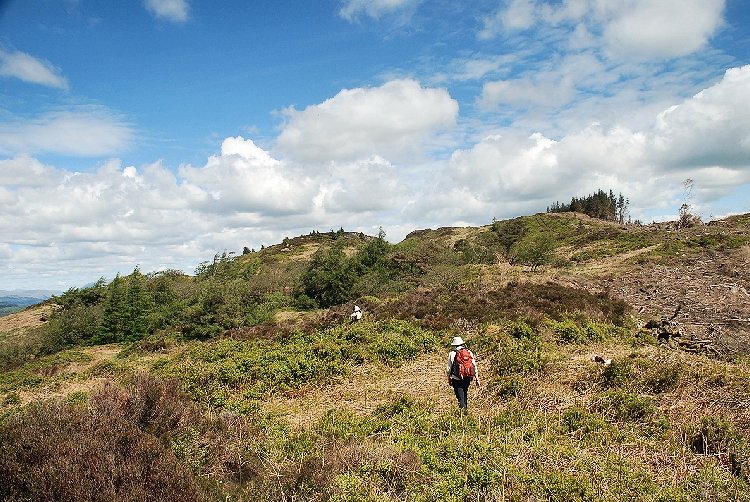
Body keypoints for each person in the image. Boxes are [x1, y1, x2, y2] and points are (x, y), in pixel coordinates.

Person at [446, 336, 480, 409]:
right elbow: (474, 365)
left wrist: (449, 378)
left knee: (460, 397)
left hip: (456, 378)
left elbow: (449, 368)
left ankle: (463, 414)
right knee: (465, 394)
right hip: (467, 377)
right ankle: (465, 411)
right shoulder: (469, 352)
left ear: (454, 345)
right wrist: (477, 378)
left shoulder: (452, 353)